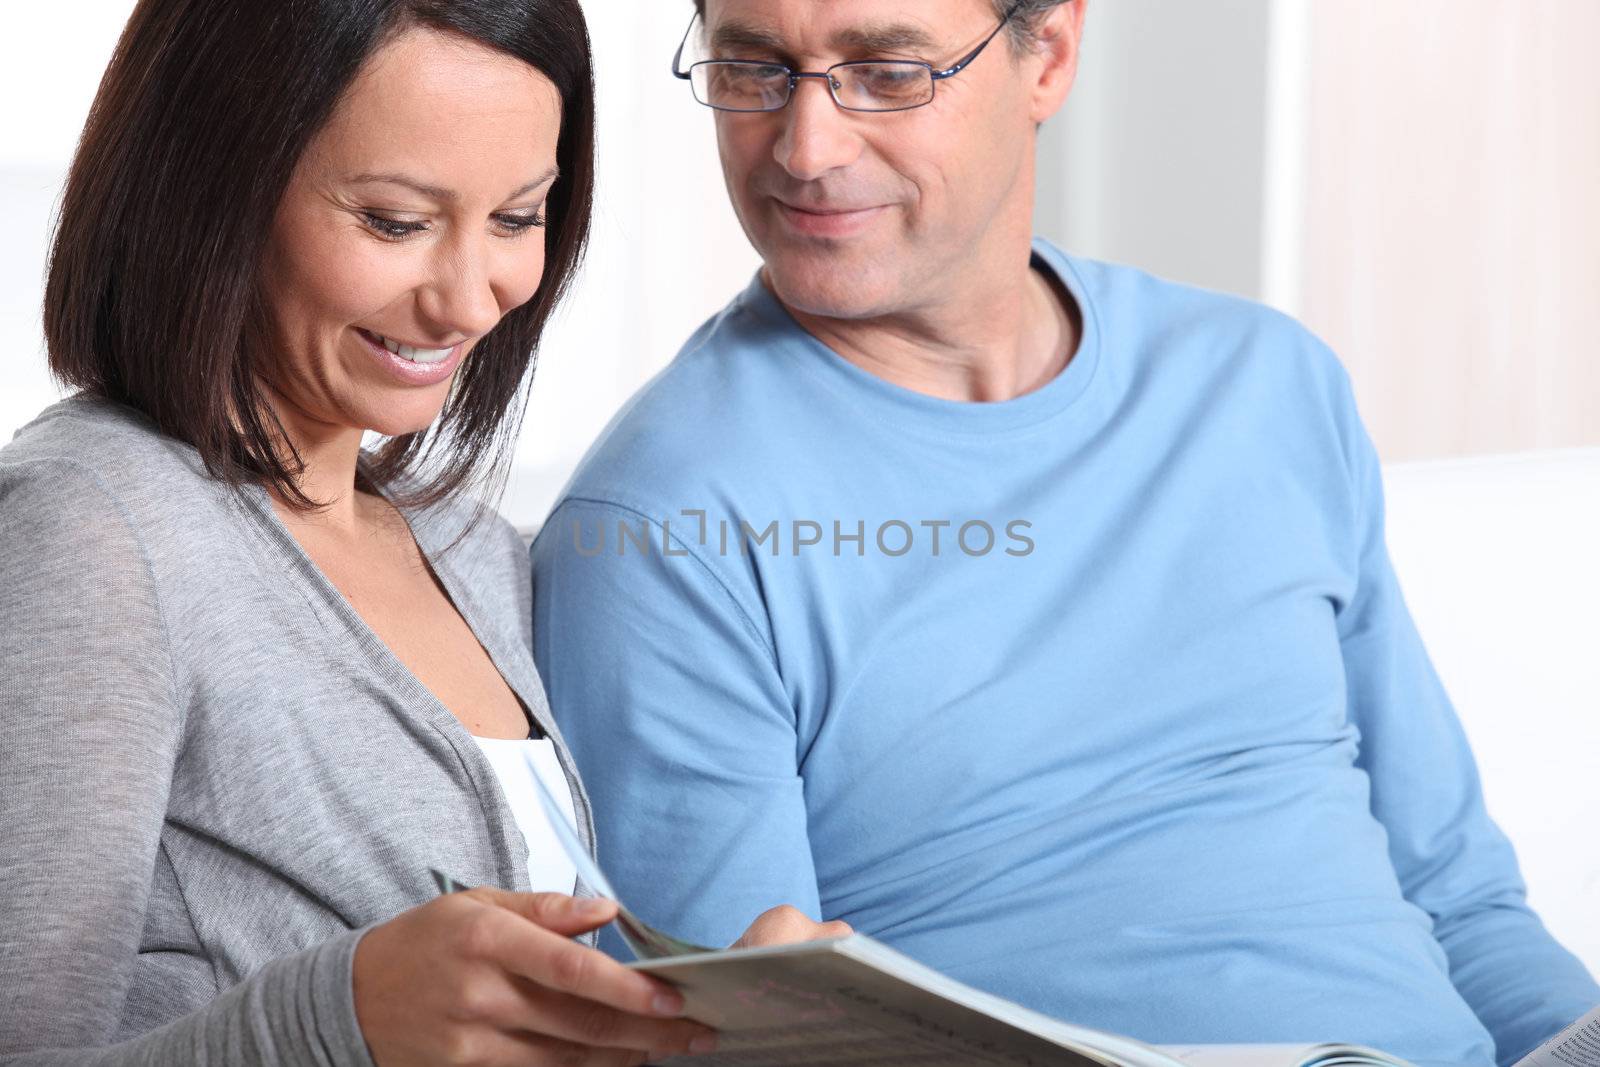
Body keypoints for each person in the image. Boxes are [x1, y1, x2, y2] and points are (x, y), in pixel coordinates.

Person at [529, 2, 1600, 1065]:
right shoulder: (657, 528)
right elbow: (744, 1034)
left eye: (888, 72)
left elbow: (1460, 896)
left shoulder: (1264, 383)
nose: (806, 147)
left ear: (1047, 53)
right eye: (755, 67)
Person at [0, 2, 843, 1064]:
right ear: (213, 187)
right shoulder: (90, 533)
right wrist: (332, 1018)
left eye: (518, 217)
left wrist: (723, 1012)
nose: (465, 299)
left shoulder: (472, 550)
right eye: (396, 221)